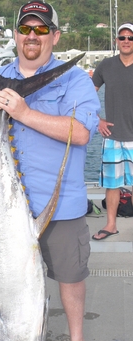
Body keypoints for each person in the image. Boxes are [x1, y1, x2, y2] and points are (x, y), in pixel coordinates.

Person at [0, 0, 101, 341]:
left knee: (71, 276)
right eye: (26, 29)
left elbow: (82, 133)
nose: (32, 37)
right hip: (1, 211)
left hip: (59, 204)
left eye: (41, 29)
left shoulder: (74, 79)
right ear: (16, 35)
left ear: (54, 35)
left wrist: (22, 112)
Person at [92, 22, 133, 241]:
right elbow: (88, 95)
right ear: (117, 40)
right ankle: (110, 225)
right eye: (122, 37)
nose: (126, 41)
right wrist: (97, 120)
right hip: (113, 137)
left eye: (130, 37)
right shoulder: (105, 66)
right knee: (112, 184)